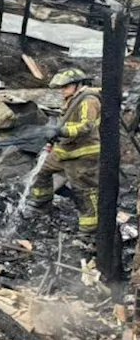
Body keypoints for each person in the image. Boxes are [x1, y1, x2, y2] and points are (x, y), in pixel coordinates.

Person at [31, 68, 100, 234]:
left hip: (82, 153)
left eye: (66, 86)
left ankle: (90, 227)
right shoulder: (70, 100)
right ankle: (41, 206)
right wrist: (54, 140)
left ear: (78, 85)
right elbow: (65, 123)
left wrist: (61, 132)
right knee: (42, 173)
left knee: (83, 191)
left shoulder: (88, 100)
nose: (62, 90)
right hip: (64, 150)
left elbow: (86, 126)